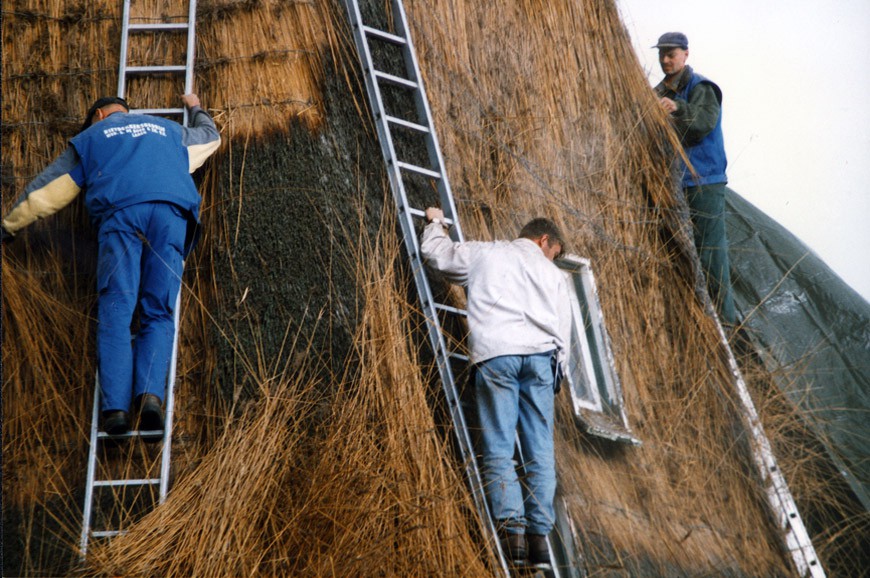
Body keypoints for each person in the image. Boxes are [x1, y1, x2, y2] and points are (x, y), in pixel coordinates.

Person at [1, 94, 221, 436]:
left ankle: (116, 411)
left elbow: (46, 193)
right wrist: (194, 106)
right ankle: (150, 398)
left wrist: (8, 227)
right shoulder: (168, 130)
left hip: (123, 216)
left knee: (117, 312)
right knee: (158, 312)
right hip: (171, 216)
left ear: (99, 115)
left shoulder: (92, 137)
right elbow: (210, 138)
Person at [420, 207, 571, 568]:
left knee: (500, 447)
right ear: (543, 240)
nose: (552, 260)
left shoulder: (487, 253)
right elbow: (565, 328)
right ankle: (539, 541)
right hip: (540, 360)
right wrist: (558, 371)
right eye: (554, 252)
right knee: (539, 451)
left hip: (498, 355)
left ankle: (513, 534)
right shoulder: (554, 278)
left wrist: (435, 223)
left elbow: (438, 255)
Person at [653, 31, 737, 326]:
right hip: (674, 183)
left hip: (704, 180)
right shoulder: (658, 92)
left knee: (711, 258)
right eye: (662, 54)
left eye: (671, 54)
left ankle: (725, 327)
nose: (665, 60)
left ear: (685, 54)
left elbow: (702, 123)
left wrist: (678, 108)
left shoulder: (702, 87)